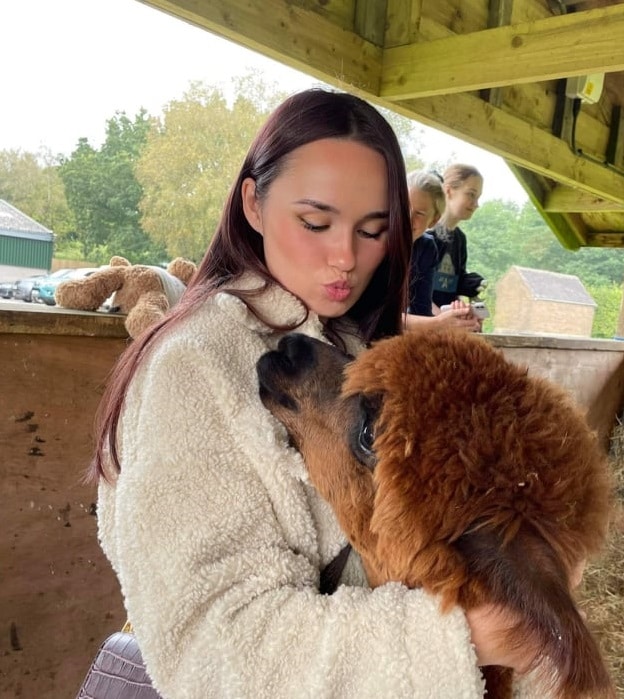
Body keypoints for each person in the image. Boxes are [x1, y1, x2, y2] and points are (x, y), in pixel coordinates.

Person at [91, 88, 539, 698]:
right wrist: (460, 635)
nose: (345, 259)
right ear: (253, 203)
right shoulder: (193, 367)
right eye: (315, 222)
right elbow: (215, 648)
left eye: (373, 229)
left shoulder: (355, 342)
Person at [404, 170, 481, 332]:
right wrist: (440, 322)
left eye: (419, 213)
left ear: (433, 219)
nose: (408, 218)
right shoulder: (372, 239)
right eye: (471, 194)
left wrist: (458, 315)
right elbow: (371, 315)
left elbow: (421, 309)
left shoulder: (426, 247)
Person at [431, 164, 486, 311]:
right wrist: (443, 321)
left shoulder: (460, 239)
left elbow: (453, 290)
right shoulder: (426, 234)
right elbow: (412, 293)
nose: (476, 204)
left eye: (478, 197)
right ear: (448, 191)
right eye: (471, 194)